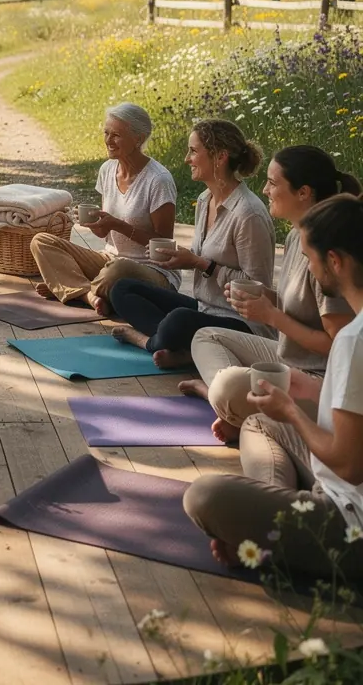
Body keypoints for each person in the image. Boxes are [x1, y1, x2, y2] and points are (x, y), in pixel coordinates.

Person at [184, 193, 363, 581]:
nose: (311, 270)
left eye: (311, 259)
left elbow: (349, 464)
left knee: (203, 497)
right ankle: (271, 528)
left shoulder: (354, 338)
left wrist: (293, 412)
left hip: (352, 524)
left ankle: (270, 536)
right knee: (258, 422)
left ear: (334, 260)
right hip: (337, 485)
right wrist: (312, 391)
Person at [181, 147, 357, 442]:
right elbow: (303, 307)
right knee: (206, 336)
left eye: (273, 183)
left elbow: (338, 345)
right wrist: (267, 297)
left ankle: (223, 401)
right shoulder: (294, 235)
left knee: (227, 385)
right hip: (285, 358)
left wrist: (272, 317)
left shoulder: (327, 252)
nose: (264, 189)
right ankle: (229, 405)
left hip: (316, 380)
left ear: (303, 192)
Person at [110, 119, 275, 368]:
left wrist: (200, 263)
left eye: (194, 151)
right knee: (122, 289)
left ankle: (146, 341)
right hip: (206, 309)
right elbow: (200, 259)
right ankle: (185, 347)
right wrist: (180, 258)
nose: (187, 159)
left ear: (220, 157)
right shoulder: (204, 198)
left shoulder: (248, 214)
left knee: (178, 321)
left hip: (242, 324)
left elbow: (256, 288)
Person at [30, 103, 179, 315]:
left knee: (118, 270)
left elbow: (164, 246)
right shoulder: (107, 170)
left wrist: (118, 224)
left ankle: (67, 287)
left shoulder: (158, 180)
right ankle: (88, 295)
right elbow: (104, 233)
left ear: (139, 138)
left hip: (151, 271)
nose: (108, 141)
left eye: (116, 135)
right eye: (106, 133)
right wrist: (96, 225)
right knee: (41, 241)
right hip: (109, 262)